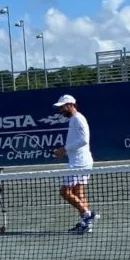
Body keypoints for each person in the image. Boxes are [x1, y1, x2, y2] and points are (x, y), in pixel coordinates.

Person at [51, 94, 98, 233]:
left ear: (71, 105)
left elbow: (84, 140)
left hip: (80, 163)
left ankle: (88, 215)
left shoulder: (78, 119)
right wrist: (64, 152)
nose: (61, 110)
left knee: (65, 191)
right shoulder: (73, 120)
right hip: (78, 160)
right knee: (79, 192)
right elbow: (76, 142)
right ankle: (85, 224)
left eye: (63, 107)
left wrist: (65, 149)